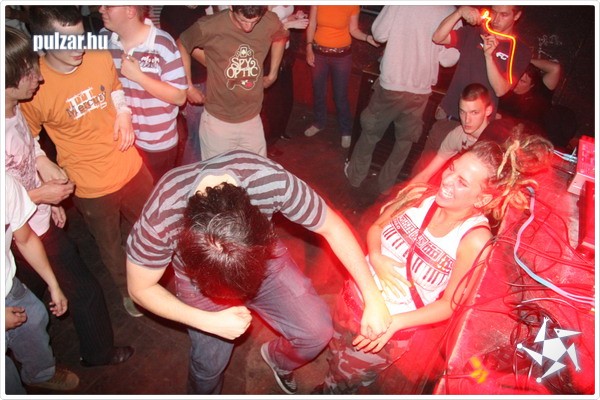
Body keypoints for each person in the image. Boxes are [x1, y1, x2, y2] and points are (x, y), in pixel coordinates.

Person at [125, 150, 391, 395]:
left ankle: (277, 359)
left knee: (317, 331)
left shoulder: (268, 180)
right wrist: (207, 321)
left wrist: (373, 295)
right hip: (200, 288)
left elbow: (332, 226)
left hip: (264, 262)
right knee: (209, 365)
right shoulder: (164, 212)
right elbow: (139, 288)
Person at [316, 134, 554, 394]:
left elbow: (449, 305)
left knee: (340, 383)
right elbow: (377, 227)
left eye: (462, 182)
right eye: (452, 168)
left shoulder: (474, 240)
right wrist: (376, 256)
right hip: (350, 297)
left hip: (383, 329)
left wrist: (394, 323)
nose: (447, 180)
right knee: (333, 351)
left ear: (482, 199)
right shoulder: (419, 196)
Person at [5, 26, 134, 367]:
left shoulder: (14, 108)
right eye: (28, 71)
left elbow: (27, 150)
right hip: (18, 231)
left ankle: (40, 358)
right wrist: (39, 195)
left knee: (34, 292)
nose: (38, 77)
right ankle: (89, 356)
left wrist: (42, 172)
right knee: (79, 291)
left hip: (35, 219)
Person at [20, 6, 154, 318]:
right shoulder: (34, 86)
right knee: (111, 248)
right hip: (90, 186)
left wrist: (124, 114)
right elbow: (27, 137)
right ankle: (129, 291)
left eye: (81, 37)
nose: (79, 47)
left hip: (131, 166)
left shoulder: (97, 55)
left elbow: (115, 89)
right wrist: (40, 160)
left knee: (155, 223)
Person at [344, 5, 460, 196]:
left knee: (371, 132)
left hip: (392, 84)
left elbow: (379, 34)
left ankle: (355, 176)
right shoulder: (450, 11)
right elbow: (448, 59)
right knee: (404, 142)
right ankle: (386, 186)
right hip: (420, 90)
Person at [413, 5, 531, 176]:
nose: (496, 19)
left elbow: (501, 89)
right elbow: (438, 37)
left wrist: (489, 56)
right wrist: (459, 12)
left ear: (517, 15)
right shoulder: (475, 33)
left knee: (461, 179)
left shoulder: (520, 49)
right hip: (451, 116)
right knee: (424, 171)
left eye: (504, 14)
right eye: (494, 12)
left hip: (479, 129)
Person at [177, 6, 289, 160]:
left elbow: (280, 36)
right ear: (231, 7)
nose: (248, 27)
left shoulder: (269, 20)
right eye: (243, 20)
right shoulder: (209, 25)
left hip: (252, 119)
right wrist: (188, 86)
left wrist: (273, 74)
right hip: (218, 122)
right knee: (219, 173)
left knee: (255, 170)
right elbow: (182, 43)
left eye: (254, 22)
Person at [4, 174, 79, 393]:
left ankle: (39, 374)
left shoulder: (6, 184)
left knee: (35, 317)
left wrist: (53, 285)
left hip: (8, 286)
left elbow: (26, 239)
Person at [100, 5, 188, 182]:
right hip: (121, 141)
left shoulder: (161, 43)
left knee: (157, 193)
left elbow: (180, 96)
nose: (101, 9)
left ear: (130, 10)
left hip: (156, 143)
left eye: (108, 6)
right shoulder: (104, 39)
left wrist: (139, 77)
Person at [304, 5, 379, 149]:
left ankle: (346, 130)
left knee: (340, 95)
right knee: (318, 91)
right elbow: (312, 24)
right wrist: (309, 48)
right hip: (319, 54)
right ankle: (319, 123)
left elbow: (353, 30)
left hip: (342, 57)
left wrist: (367, 37)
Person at [410, 84, 494, 185]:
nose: (467, 120)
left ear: (488, 111)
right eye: (462, 112)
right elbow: (426, 174)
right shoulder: (457, 134)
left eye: (474, 112)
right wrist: (404, 194)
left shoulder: (495, 142)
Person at [160, 5, 209, 165]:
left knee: (206, 134)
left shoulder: (198, 9)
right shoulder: (174, 10)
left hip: (204, 79)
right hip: (192, 82)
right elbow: (185, 45)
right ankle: (192, 176)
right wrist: (189, 87)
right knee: (197, 136)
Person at [261, 5, 308, 149]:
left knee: (286, 97)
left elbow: (281, 17)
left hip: (285, 50)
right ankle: (267, 142)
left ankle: (278, 132)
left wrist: (295, 17)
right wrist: (289, 25)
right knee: (271, 100)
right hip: (269, 53)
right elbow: (263, 26)